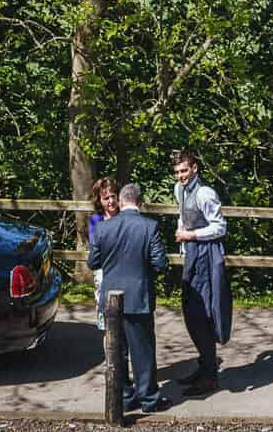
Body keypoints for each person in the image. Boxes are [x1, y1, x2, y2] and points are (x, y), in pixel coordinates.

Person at [88, 181, 170, 414]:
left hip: (111, 296)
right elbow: (160, 263)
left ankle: (124, 396)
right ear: (140, 203)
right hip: (139, 296)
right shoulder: (149, 226)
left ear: (122, 201)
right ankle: (148, 399)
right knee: (143, 351)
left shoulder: (102, 229)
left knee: (117, 351)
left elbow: (93, 262)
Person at [172, 148, 230, 395]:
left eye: (184, 171)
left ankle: (210, 377)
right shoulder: (179, 190)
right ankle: (205, 365)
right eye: (177, 172)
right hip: (192, 254)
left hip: (208, 255)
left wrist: (192, 235)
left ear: (194, 168)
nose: (180, 176)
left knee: (203, 313)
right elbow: (182, 216)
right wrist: (183, 235)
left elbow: (220, 227)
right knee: (191, 310)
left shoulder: (206, 193)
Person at [89, 176, 122, 330]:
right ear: (99, 200)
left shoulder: (125, 217)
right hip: (102, 270)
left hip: (123, 269)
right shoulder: (96, 220)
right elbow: (95, 249)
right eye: (105, 198)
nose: (110, 201)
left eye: (113, 196)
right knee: (106, 321)